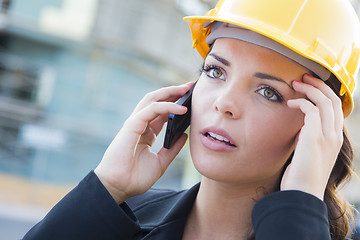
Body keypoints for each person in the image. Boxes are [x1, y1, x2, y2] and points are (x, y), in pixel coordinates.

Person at [23, 0, 360, 239]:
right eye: (215, 71)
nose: (224, 102)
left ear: (315, 128)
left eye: (268, 92)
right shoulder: (118, 219)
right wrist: (107, 187)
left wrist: (299, 206)